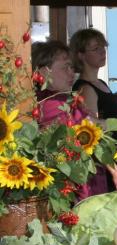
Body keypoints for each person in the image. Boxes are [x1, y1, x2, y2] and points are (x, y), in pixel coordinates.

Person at [31, 40, 107, 198]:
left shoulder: (61, 99)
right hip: (73, 191)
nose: (72, 73)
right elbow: (91, 125)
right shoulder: (52, 104)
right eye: (65, 67)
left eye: (71, 67)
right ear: (45, 73)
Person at [69, 28, 117, 192]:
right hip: (108, 166)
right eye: (96, 48)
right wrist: (114, 172)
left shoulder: (101, 83)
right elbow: (92, 135)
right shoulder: (85, 89)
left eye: (103, 47)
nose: (102, 52)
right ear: (81, 55)